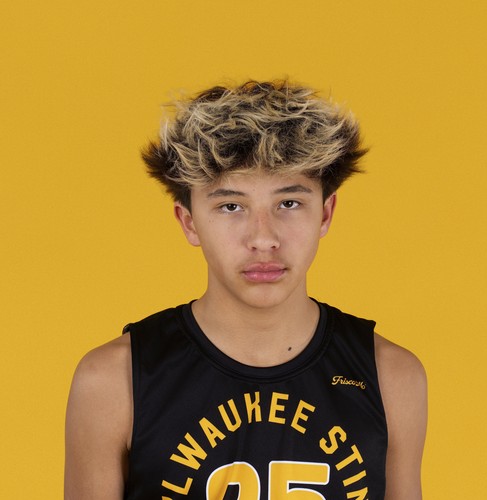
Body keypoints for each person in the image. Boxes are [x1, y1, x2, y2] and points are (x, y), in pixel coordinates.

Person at [65, 80, 427, 500]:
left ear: (325, 214)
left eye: (288, 203)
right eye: (231, 206)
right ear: (189, 222)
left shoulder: (392, 377)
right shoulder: (112, 381)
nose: (263, 238)